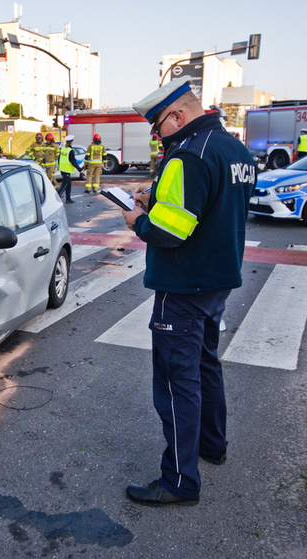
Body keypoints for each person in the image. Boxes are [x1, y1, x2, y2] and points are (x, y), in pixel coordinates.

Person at [120, 75, 256, 505]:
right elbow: (206, 206)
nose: (157, 136)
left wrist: (137, 220)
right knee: (205, 366)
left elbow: (170, 231)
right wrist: (153, 194)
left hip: (182, 285)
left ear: (177, 116)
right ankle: (213, 446)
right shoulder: (234, 148)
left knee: (177, 384)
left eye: (157, 127)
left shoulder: (186, 157)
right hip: (217, 280)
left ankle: (180, 481)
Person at [58, 135, 82, 203]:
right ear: (71, 142)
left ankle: (68, 199)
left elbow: (59, 158)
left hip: (62, 169)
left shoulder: (62, 149)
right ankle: (57, 197)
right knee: (64, 185)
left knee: (68, 185)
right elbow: (73, 161)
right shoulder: (70, 150)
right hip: (66, 170)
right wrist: (80, 169)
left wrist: (59, 166)